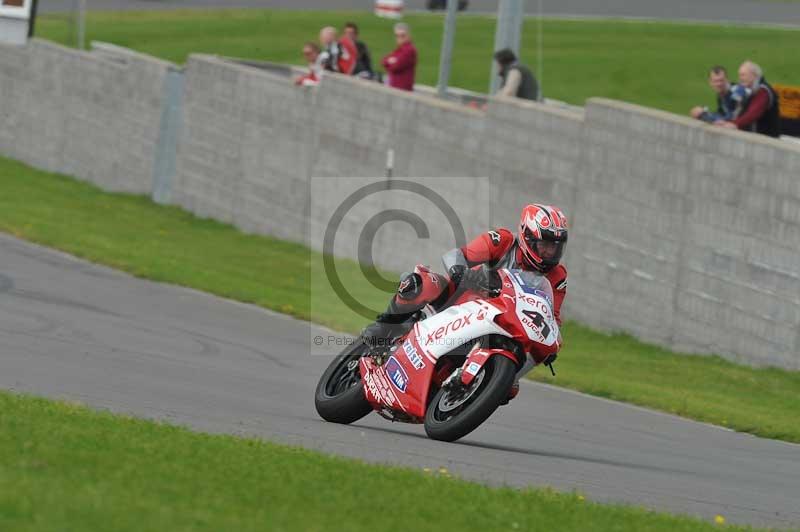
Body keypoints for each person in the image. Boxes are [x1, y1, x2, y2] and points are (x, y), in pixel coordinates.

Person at [361, 204, 569, 403]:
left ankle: (474, 387)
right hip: (459, 301)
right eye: (546, 245)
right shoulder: (503, 241)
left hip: (501, 321)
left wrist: (551, 342)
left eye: (556, 246)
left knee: (510, 387)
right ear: (527, 237)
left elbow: (552, 316)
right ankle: (381, 329)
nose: (550, 253)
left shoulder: (557, 276)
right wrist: (460, 270)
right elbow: (457, 255)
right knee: (418, 284)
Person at [715, 61, 781, 137]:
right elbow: (731, 108)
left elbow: (753, 113)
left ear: (754, 76)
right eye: (739, 75)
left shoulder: (763, 91)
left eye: (743, 75)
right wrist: (719, 119)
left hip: (766, 140)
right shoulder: (744, 88)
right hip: (752, 137)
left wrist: (735, 124)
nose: (740, 78)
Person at [381, 22, 417, 91]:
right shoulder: (400, 49)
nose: (399, 38)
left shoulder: (410, 50)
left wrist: (390, 62)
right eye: (397, 36)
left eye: (402, 35)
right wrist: (390, 61)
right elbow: (384, 60)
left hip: (403, 89)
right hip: (395, 87)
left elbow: (396, 66)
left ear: (409, 35)